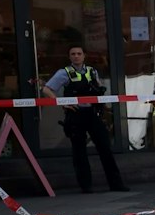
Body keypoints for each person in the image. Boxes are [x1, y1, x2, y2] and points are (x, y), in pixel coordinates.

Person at [41, 45, 128, 194]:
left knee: (105, 147)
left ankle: (116, 184)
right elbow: (46, 89)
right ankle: (86, 186)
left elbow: (99, 88)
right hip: (76, 114)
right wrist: (62, 103)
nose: (76, 56)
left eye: (79, 53)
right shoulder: (64, 73)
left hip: (92, 113)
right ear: (69, 57)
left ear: (84, 56)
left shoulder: (92, 71)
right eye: (73, 54)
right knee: (79, 151)